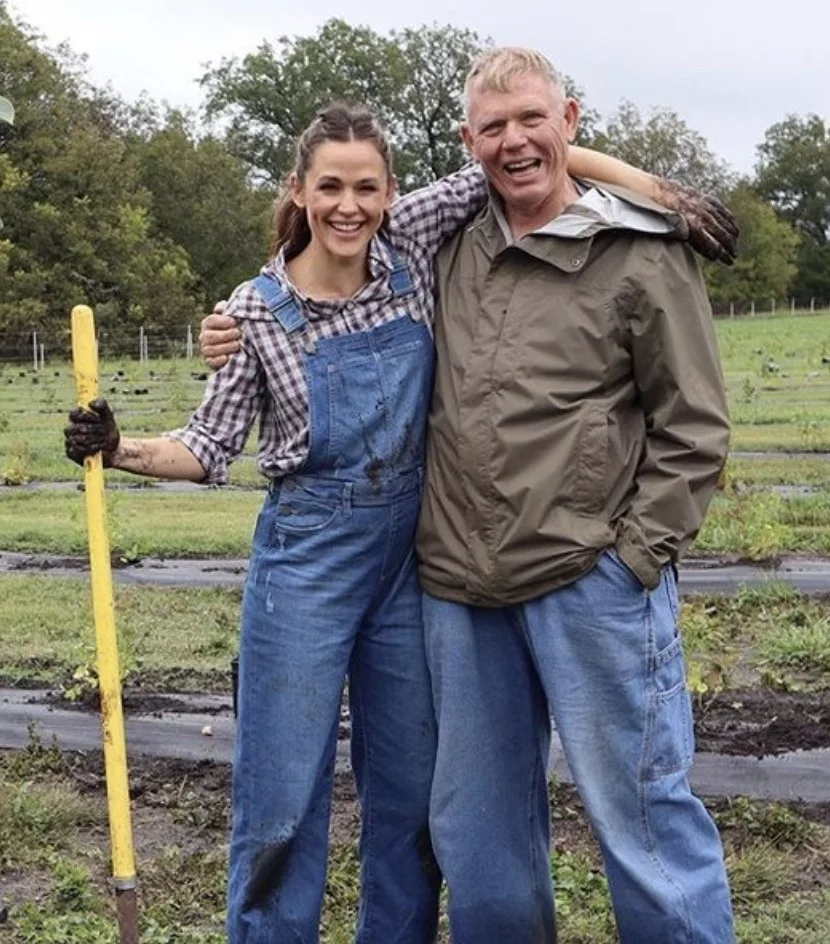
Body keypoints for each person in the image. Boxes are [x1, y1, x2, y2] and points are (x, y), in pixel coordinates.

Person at [73, 100, 734, 944]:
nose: (348, 206)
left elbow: (523, 157)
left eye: (366, 187)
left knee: (411, 796)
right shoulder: (255, 312)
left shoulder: (410, 245)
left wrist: (659, 190)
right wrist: (121, 445)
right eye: (330, 188)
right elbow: (207, 447)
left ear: (390, 193)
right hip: (307, 563)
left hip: (411, 565)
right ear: (299, 192)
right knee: (282, 794)